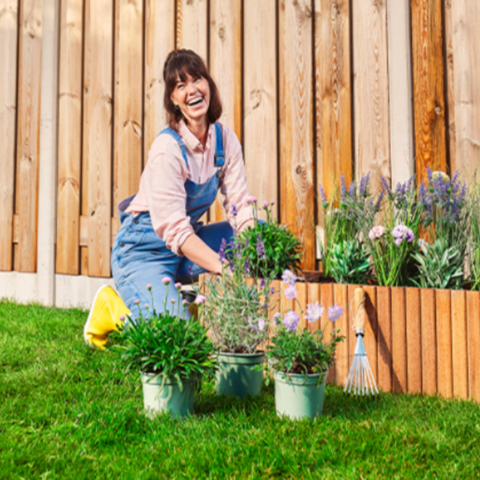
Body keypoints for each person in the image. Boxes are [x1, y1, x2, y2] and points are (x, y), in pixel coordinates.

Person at [84, 49, 255, 348]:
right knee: (179, 341)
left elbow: (240, 207)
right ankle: (114, 310)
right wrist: (224, 268)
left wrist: (253, 253)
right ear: (173, 100)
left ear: (209, 85)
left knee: (257, 241)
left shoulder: (225, 141)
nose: (192, 90)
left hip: (183, 249)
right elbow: (175, 231)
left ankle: (178, 302)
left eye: (197, 79)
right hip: (143, 252)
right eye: (180, 86)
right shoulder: (167, 149)